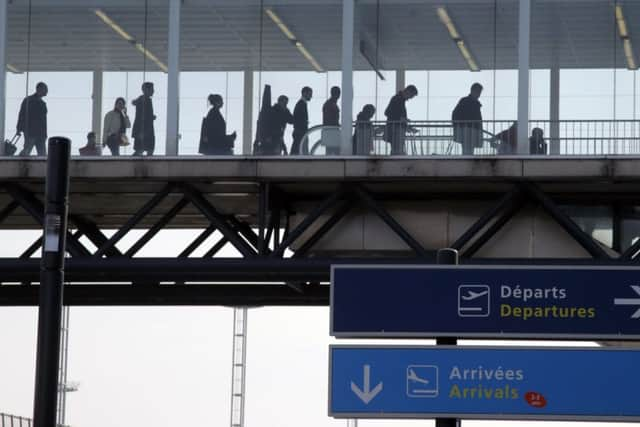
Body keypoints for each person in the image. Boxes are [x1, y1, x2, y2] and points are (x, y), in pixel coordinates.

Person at [383, 85, 418, 155]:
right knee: (397, 151)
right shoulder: (397, 99)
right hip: (395, 130)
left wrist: (407, 127)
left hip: (397, 130)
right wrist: (401, 119)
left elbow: (394, 114)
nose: (410, 98)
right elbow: (387, 112)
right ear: (408, 91)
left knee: (397, 150)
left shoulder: (399, 99)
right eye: (411, 96)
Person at [17, 82, 48, 156]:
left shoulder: (41, 103)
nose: (46, 91)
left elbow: (43, 121)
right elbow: (22, 114)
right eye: (45, 89)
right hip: (31, 131)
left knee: (41, 154)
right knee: (28, 151)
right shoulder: (29, 100)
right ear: (39, 89)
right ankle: (20, 163)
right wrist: (19, 128)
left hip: (38, 132)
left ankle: (21, 162)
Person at [452, 82, 484, 155]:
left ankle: (467, 162)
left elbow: (455, 114)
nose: (479, 94)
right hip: (468, 130)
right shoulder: (467, 102)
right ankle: (467, 163)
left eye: (480, 92)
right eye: (478, 92)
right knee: (468, 151)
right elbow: (456, 114)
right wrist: (459, 126)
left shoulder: (469, 102)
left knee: (468, 151)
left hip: (469, 130)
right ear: (473, 91)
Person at [131, 82, 156, 156]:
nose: (153, 91)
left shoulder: (144, 100)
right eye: (152, 89)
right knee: (144, 149)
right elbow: (142, 117)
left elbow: (143, 115)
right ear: (146, 90)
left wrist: (151, 117)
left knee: (142, 149)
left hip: (144, 129)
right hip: (144, 130)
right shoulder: (144, 100)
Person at [291, 86, 313, 155]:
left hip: (300, 132)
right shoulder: (301, 104)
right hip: (300, 132)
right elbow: (298, 120)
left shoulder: (301, 104)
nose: (311, 96)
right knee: (298, 152)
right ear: (304, 93)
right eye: (310, 94)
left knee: (297, 151)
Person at [322, 86, 341, 154]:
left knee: (331, 152)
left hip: (331, 131)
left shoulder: (330, 103)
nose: (338, 95)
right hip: (331, 132)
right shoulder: (329, 104)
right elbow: (328, 119)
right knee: (333, 152)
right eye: (337, 93)